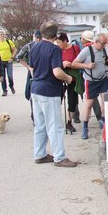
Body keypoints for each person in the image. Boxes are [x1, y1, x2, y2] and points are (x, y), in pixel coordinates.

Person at [29, 21, 77, 167]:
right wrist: (68, 78)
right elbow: (57, 72)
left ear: (41, 32)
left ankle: (40, 154)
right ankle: (60, 157)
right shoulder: (54, 49)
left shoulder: (34, 47)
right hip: (49, 90)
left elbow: (31, 68)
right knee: (55, 125)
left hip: (35, 88)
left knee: (40, 125)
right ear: (55, 34)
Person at [71, 33, 108, 139]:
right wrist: (87, 65)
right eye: (103, 44)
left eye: (105, 44)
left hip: (103, 79)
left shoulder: (103, 50)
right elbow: (74, 63)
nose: (104, 46)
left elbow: (105, 60)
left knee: (105, 103)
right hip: (91, 81)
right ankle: (85, 127)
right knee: (89, 104)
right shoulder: (86, 51)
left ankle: (103, 122)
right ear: (96, 42)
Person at [55, 33, 82, 133]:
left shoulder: (75, 48)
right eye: (56, 42)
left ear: (65, 41)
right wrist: (62, 64)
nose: (57, 44)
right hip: (60, 78)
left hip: (73, 78)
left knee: (72, 101)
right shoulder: (56, 50)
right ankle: (56, 121)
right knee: (57, 100)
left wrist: (71, 64)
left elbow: (80, 62)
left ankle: (69, 122)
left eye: (59, 42)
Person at [16, 30, 42, 122]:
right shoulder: (29, 46)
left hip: (43, 71)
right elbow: (18, 57)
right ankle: (34, 115)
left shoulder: (44, 46)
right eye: (36, 37)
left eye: (40, 37)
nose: (38, 39)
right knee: (32, 93)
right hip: (32, 72)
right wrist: (28, 67)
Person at [0, 30, 17, 96]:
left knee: (10, 75)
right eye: (0, 34)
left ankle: (11, 86)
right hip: (0, 62)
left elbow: (15, 50)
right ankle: (4, 90)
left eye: (3, 34)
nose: (2, 35)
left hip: (9, 61)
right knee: (2, 77)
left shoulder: (9, 42)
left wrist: (12, 58)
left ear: (5, 35)